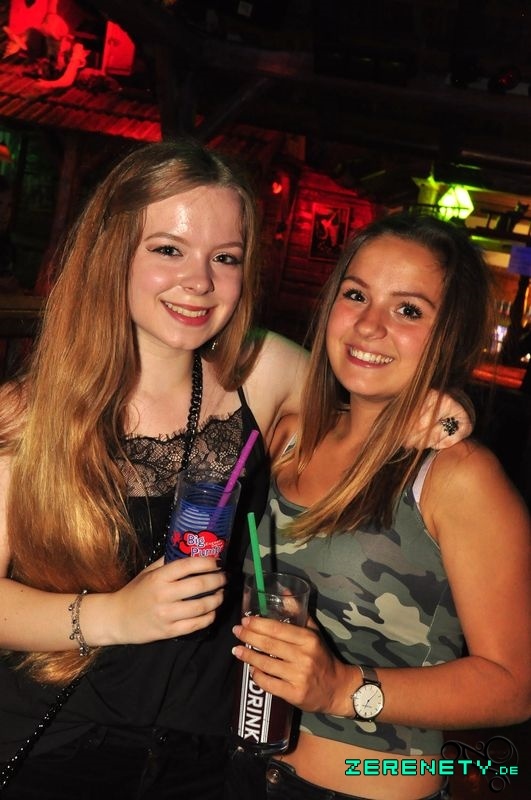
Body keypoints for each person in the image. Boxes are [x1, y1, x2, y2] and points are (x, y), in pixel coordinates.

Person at [0, 141, 471, 799]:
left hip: (210, 764)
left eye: (224, 258)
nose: (199, 281)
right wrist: (114, 616)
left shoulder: (262, 372)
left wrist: (432, 402)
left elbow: (363, 397)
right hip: (57, 753)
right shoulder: (25, 412)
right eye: (168, 249)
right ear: (113, 252)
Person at [230, 213, 531, 800]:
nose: (369, 325)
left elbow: (515, 685)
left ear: (449, 336)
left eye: (408, 310)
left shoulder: (458, 476)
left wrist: (344, 689)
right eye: (356, 295)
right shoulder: (289, 434)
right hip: (236, 770)